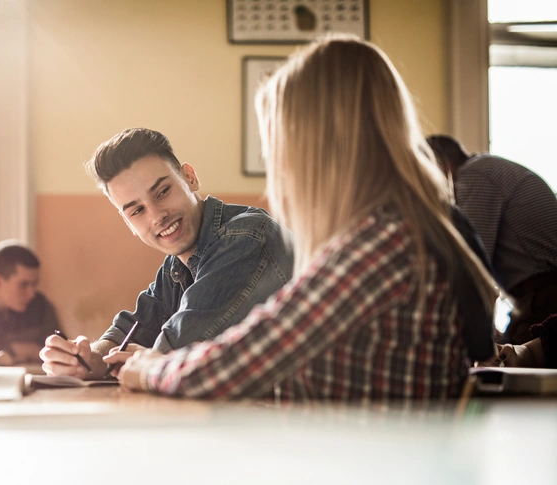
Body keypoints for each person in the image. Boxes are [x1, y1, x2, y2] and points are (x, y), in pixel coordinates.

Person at [105, 34, 499, 402]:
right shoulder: (398, 227)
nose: (278, 164)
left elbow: (236, 364)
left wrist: (150, 369)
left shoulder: (381, 243)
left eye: (278, 143)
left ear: (318, 144)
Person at [39, 128, 293, 378]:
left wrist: (137, 362)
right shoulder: (177, 266)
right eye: (137, 211)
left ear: (190, 177)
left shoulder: (246, 238)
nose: (157, 216)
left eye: (162, 192)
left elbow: (176, 352)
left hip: (302, 416)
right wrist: (87, 358)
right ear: (128, 223)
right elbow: (134, 329)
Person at [426, 134, 557, 344]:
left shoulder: (475, 174)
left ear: (440, 167)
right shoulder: (487, 169)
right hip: (536, 297)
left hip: (545, 299)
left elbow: (469, 265)